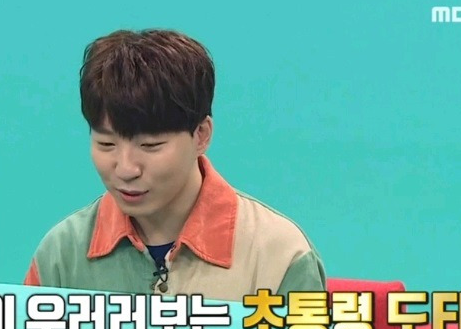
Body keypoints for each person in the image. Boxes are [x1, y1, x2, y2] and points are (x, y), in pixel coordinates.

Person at [23, 29, 325, 301]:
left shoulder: (279, 254)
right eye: (106, 144)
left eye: (150, 146)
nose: (126, 169)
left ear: (201, 135)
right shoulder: (61, 254)